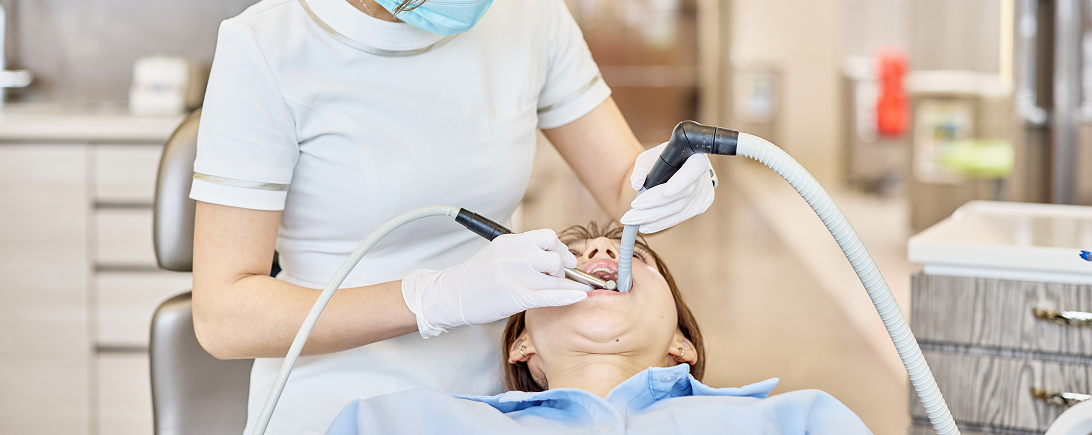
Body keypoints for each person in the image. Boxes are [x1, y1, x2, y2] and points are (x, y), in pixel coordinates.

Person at [188, 0, 718, 435]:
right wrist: (433, 299)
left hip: (500, 405)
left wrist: (664, 180)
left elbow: (622, 183)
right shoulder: (267, 48)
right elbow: (224, 318)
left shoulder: (529, 9)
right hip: (336, 410)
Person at [324, 223, 872, 434]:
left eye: (636, 258)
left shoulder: (796, 422)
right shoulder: (397, 423)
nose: (604, 253)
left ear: (681, 343)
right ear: (522, 345)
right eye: (571, 260)